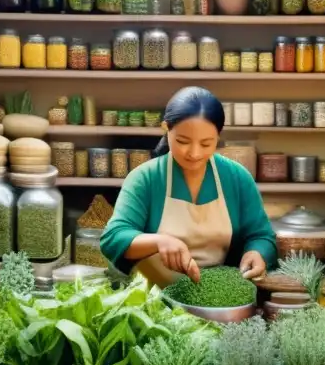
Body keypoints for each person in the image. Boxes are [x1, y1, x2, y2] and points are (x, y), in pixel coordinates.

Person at [100, 86, 277, 285]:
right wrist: (160, 242)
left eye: (206, 144)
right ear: (166, 129)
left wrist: (256, 253)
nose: (194, 153)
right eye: (183, 141)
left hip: (219, 293)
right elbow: (114, 238)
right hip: (155, 293)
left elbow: (261, 235)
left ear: (218, 137)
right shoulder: (145, 178)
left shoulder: (237, 177)